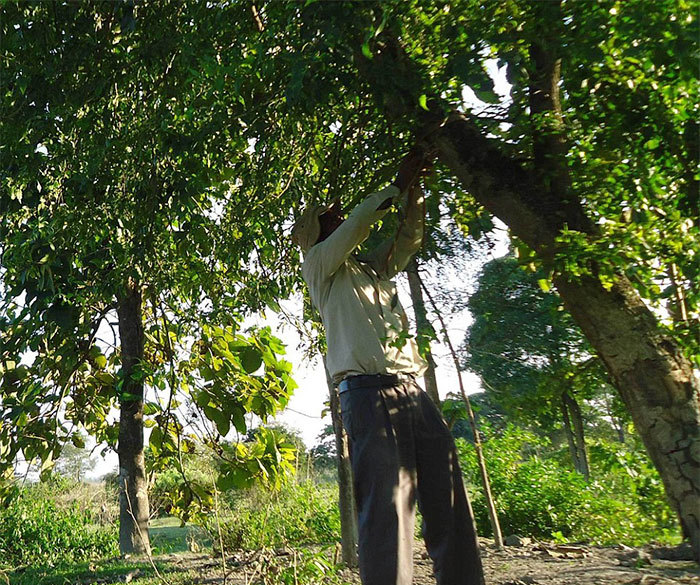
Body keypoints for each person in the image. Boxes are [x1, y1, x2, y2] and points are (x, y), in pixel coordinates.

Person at [291, 148, 485, 585]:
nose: (339, 218)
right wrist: (396, 185)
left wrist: (412, 194)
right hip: (367, 396)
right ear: (317, 231)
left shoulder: (371, 268)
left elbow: (409, 240)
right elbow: (359, 224)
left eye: (338, 214)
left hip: (412, 391)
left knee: (447, 493)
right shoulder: (319, 264)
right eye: (330, 217)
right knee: (387, 511)